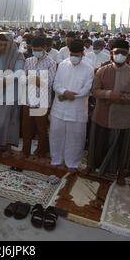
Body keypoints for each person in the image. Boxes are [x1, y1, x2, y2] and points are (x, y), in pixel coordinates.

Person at [84, 39, 130, 185]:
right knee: (97, 143)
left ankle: (120, 173)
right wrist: (110, 94)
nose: (120, 55)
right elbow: (95, 91)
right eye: (117, 53)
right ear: (111, 54)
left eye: (123, 53)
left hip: (122, 118)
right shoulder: (102, 71)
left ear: (128, 55)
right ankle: (91, 166)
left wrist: (121, 97)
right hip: (101, 114)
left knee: (122, 148)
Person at [49, 39, 94, 171]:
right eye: (72, 54)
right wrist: (64, 92)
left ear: (83, 54)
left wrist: (68, 96)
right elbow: (56, 83)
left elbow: (87, 89)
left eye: (77, 55)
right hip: (59, 108)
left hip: (77, 109)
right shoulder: (63, 64)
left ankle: (72, 163)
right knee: (56, 134)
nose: (74, 57)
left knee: (75, 138)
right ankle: (56, 159)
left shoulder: (89, 68)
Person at [0, 32, 25, 156]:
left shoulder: (18, 55)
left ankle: (8, 147)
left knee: (8, 121)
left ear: (10, 44)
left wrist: (6, 80)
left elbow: (18, 72)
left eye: (4, 45)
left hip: (11, 92)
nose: (2, 47)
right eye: (0, 44)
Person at [21, 36, 57, 158]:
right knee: (27, 128)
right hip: (28, 100)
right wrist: (36, 80)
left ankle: (41, 152)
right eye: (34, 49)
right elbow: (23, 78)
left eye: (38, 49)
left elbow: (49, 83)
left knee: (41, 130)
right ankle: (25, 151)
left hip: (42, 101)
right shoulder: (28, 61)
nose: (35, 51)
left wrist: (34, 80)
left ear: (45, 48)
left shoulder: (51, 63)